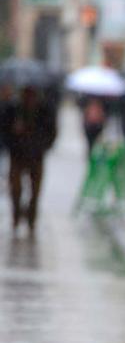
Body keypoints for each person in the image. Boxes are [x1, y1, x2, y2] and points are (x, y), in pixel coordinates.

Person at [8, 86, 57, 235]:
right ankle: (16, 215)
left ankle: (31, 218)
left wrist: (43, 145)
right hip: (17, 154)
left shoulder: (45, 109)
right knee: (15, 188)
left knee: (35, 190)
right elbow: (3, 129)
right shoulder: (13, 108)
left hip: (37, 155)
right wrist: (13, 134)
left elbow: (52, 130)